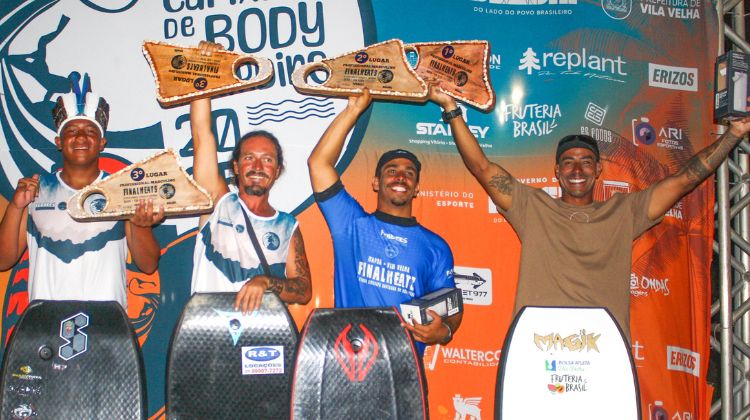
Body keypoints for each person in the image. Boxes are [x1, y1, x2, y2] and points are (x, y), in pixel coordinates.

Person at [430, 85, 750, 337]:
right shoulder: (533, 207)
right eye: (568, 162)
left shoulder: (625, 211)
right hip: (539, 343)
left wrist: (733, 134)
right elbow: (482, 167)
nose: (577, 169)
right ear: (557, 171)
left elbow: (684, 180)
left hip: (603, 348)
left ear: (598, 170)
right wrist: (451, 109)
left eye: (586, 162)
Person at [307, 89, 462, 353]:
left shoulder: (435, 246)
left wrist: (444, 331)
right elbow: (318, 164)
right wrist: (353, 111)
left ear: (416, 188)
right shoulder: (351, 225)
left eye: (409, 173)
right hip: (350, 359)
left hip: (404, 364)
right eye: (391, 171)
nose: (400, 177)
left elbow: (452, 307)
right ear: (376, 182)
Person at [0, 73, 163, 308]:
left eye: (90, 131)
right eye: (71, 131)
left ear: (101, 143)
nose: (80, 137)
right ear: (58, 142)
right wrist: (16, 207)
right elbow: (3, 261)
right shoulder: (36, 191)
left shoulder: (120, 190)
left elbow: (148, 265)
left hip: (106, 320)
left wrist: (140, 224)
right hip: (46, 320)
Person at [189, 43, 312, 313]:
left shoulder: (287, 226)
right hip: (207, 329)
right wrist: (202, 71)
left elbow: (304, 290)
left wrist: (266, 282)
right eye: (248, 158)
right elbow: (201, 134)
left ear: (277, 170)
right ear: (235, 166)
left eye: (267, 159)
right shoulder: (217, 202)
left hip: (262, 333)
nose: (257, 166)